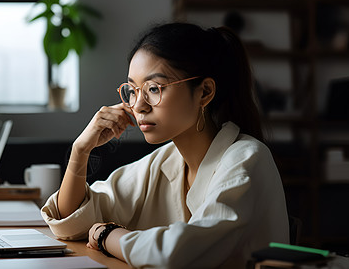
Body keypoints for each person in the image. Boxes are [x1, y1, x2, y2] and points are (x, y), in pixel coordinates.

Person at [41, 22, 289, 268]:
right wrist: (80, 151)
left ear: (204, 92)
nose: (138, 105)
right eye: (133, 90)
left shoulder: (247, 158)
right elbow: (72, 222)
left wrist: (108, 235)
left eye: (153, 88)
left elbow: (178, 254)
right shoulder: (165, 160)